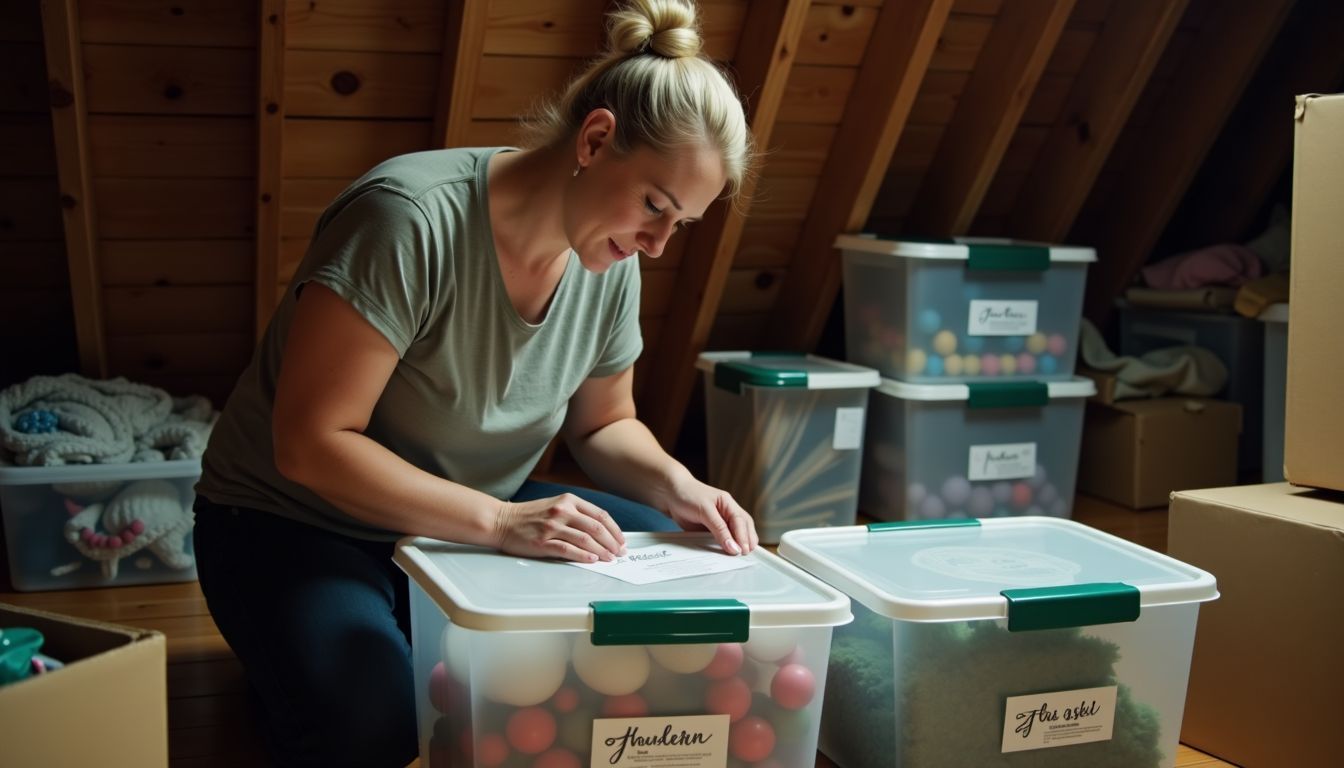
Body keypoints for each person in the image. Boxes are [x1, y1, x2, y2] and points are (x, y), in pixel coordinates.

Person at [190, 1, 759, 765]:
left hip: (463, 511)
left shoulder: (610, 257)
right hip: (291, 521)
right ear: (594, 140)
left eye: (679, 224)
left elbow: (602, 425)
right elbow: (311, 446)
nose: (657, 246)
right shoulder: (408, 219)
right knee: (372, 725)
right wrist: (497, 525)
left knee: (688, 597)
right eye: (655, 206)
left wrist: (678, 485)